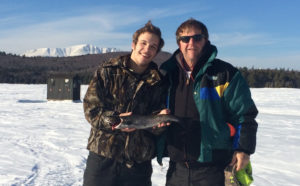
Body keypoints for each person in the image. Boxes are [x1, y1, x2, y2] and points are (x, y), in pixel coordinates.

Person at [158, 18, 258, 186]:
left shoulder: (225, 73)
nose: (191, 43)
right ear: (179, 43)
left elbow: (245, 114)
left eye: (197, 38)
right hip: (177, 168)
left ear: (205, 41)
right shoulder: (168, 75)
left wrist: (243, 149)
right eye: (185, 39)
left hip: (213, 168)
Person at [83, 21, 168, 186]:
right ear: (133, 44)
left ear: (157, 51)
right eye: (143, 43)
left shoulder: (158, 81)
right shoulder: (108, 71)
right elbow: (91, 109)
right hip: (103, 158)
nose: (147, 49)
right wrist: (114, 120)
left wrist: (160, 124)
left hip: (138, 164)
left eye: (153, 46)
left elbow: (157, 118)